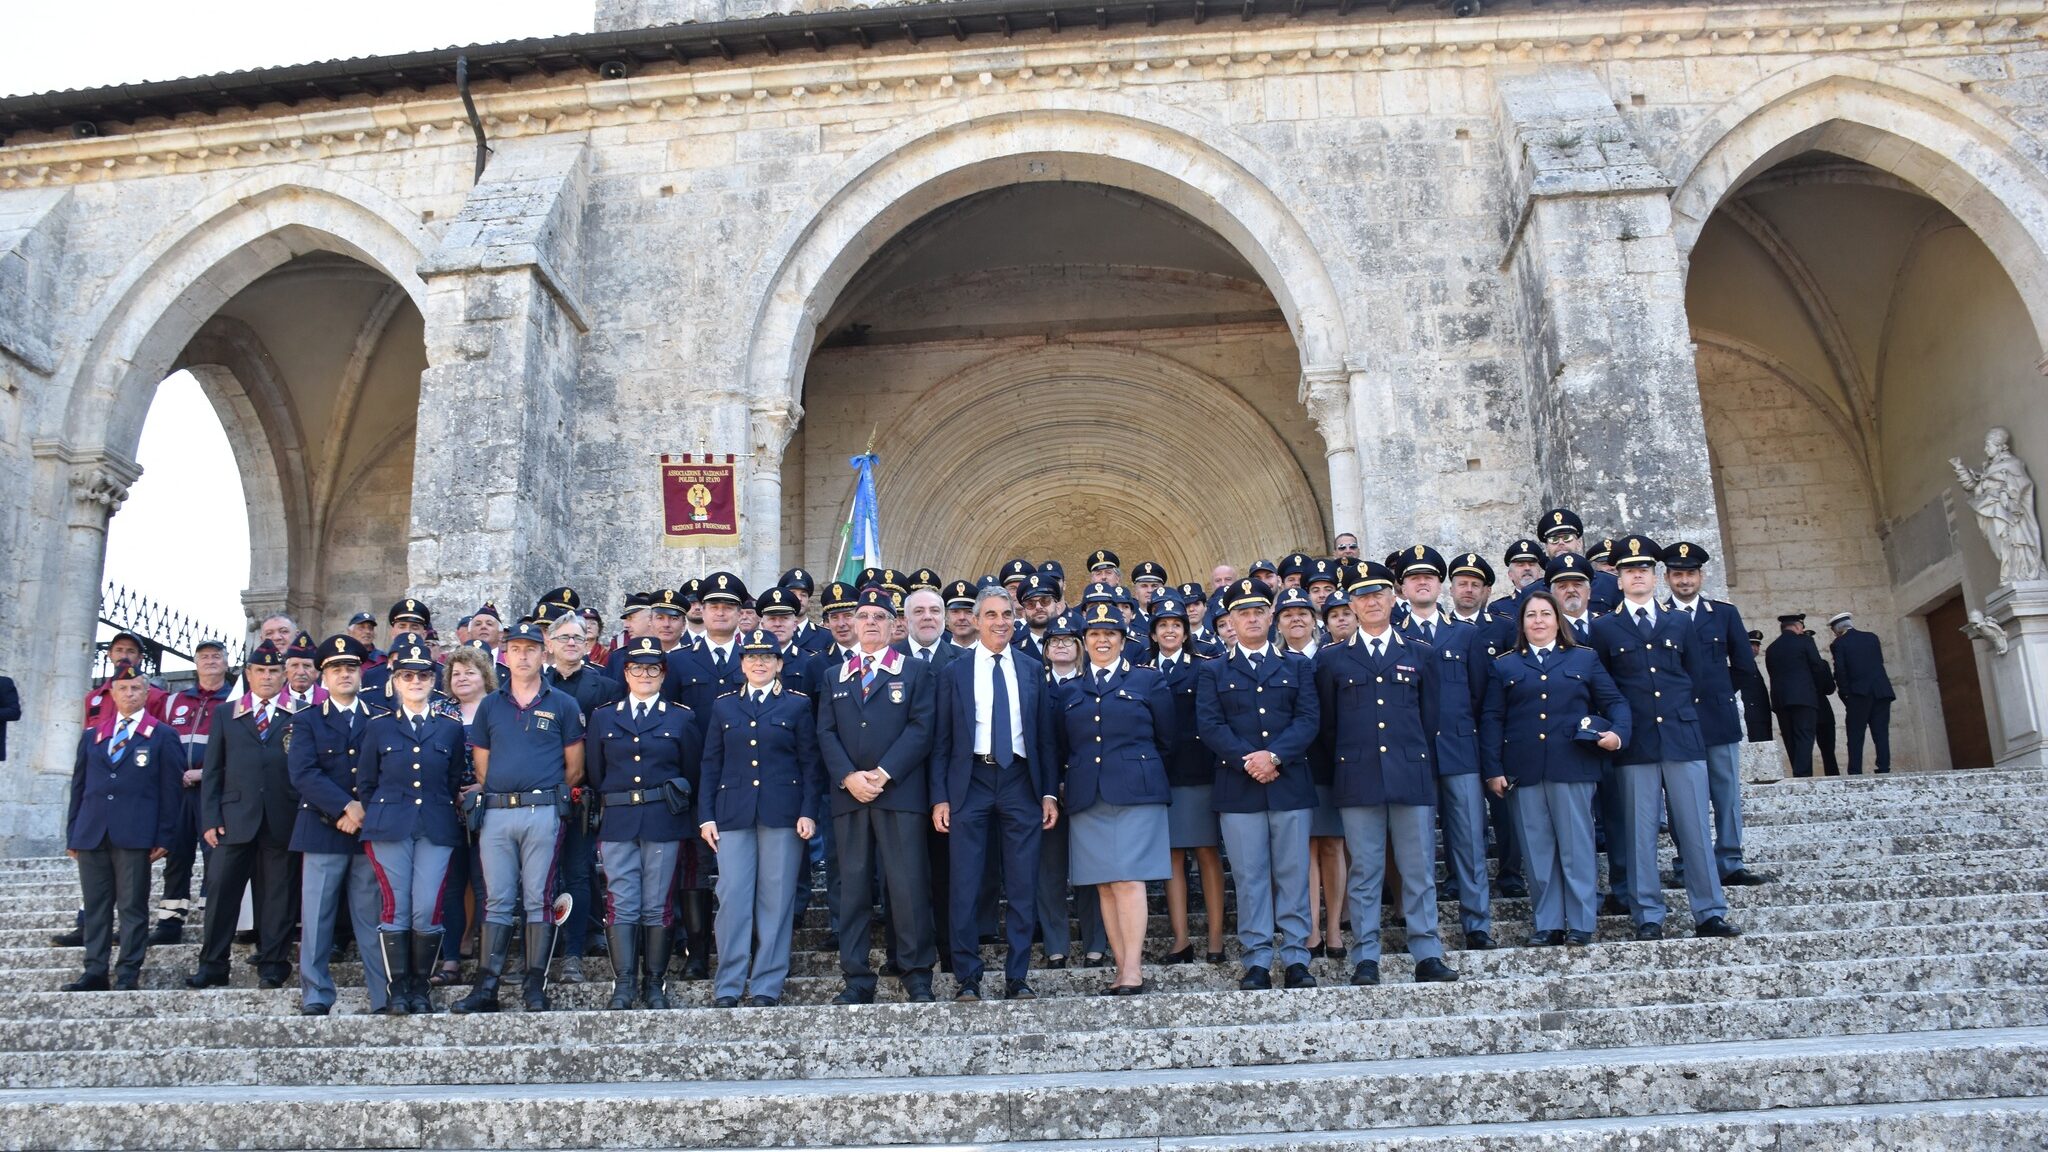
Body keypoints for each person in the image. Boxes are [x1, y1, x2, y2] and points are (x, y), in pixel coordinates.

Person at [1586, 535, 1738, 942]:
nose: (1637, 576)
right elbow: (1603, 689)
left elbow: (1695, 677)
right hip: (1635, 745)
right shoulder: (1604, 629)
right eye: (1629, 570)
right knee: (1640, 833)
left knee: (1694, 830)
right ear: (1618, 579)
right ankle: (1648, 912)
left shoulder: (1679, 622)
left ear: (1655, 577)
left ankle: (1708, 911)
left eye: (1644, 570)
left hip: (1682, 736)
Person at [1315, 562, 1456, 987]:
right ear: (1351, 605)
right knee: (1365, 872)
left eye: (1378, 594)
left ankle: (1427, 951)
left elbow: (1429, 718)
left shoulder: (1421, 654)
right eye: (1361, 596)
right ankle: (1366, 957)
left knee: (1417, 870)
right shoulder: (1332, 660)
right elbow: (1328, 726)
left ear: (1393, 599)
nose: (1371, 601)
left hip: (1409, 774)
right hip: (1358, 778)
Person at [929, 586, 1058, 1001]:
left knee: (1022, 883)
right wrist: (940, 797)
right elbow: (942, 740)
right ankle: (968, 975)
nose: (1000, 622)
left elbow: (1044, 738)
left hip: (1021, 781)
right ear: (977, 620)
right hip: (971, 783)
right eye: (991, 615)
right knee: (964, 884)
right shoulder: (954, 671)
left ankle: (1017, 976)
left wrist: (1049, 794)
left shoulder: (1031, 667)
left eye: (1007, 614)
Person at [1478, 591, 1629, 946]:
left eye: (1546, 614)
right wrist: (1492, 768)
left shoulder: (1584, 658)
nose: (1539, 621)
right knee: (1537, 850)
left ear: (1558, 620)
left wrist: (1617, 735)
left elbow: (1616, 702)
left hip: (1573, 766)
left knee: (1577, 848)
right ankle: (1547, 923)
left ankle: (1580, 922)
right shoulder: (1505, 665)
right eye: (1531, 615)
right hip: (1524, 771)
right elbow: (1492, 719)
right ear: (1522, 623)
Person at [1195, 579, 1322, 990]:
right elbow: (1210, 726)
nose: (1251, 618)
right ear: (1229, 621)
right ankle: (1257, 959)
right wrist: (1250, 760)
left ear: (1271, 617)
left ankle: (1297, 957)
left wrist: (1275, 756)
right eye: (1242, 613)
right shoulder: (1214, 670)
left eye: (1258, 611)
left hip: (1288, 783)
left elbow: (1308, 719)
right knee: (1250, 877)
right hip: (1239, 786)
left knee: (1293, 872)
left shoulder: (1298, 665)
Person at [455, 621, 586, 1014]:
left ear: (544, 652)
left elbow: (575, 768)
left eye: (531, 648)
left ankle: (534, 985)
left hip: (543, 810)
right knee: (495, 899)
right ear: (505, 655)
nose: (524, 655)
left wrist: (542, 795)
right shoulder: (491, 705)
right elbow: (482, 766)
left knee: (537, 899)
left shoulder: (562, 702)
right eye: (516, 648)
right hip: (497, 811)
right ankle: (486, 987)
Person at [817, 587, 939, 1004]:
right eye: (863, 616)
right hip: (849, 798)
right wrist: (849, 777)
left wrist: (883, 773)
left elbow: (922, 729)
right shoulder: (836, 675)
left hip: (899, 794)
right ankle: (856, 977)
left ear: (894, 625)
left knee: (906, 886)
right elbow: (826, 732)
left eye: (879, 616)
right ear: (851, 624)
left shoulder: (916, 671)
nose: (870, 622)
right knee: (851, 889)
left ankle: (917, 972)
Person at [697, 630, 821, 1007]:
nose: (759, 662)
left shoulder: (797, 706)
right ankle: (729, 984)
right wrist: (705, 816)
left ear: (780, 664)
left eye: (768, 657)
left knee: (776, 899)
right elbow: (711, 763)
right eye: (751, 657)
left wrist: (808, 811)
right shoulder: (724, 706)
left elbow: (810, 764)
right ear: (742, 663)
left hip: (782, 813)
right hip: (733, 813)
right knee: (732, 897)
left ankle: (767, 983)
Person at [1056, 602, 1174, 995]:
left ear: (1123, 640)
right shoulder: (1070, 689)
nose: (1101, 640)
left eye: (1110, 634)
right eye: (1094, 634)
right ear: (1083, 642)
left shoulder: (1147, 680)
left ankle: (1133, 969)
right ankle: (1121, 967)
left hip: (1136, 791)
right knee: (1104, 883)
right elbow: (1063, 744)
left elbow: (1166, 737)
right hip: (1088, 795)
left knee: (1127, 879)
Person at [588, 637, 704, 1009]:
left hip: (662, 820)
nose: (645, 674)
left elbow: (691, 771)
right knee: (621, 902)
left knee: (657, 904)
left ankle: (655, 983)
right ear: (625, 672)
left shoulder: (681, 717)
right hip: (619, 819)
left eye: (653, 668)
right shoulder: (604, 716)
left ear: (663, 673)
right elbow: (595, 771)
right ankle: (624, 983)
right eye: (637, 667)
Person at [355, 639, 468, 1015]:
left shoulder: (450, 728)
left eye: (422, 675)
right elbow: (367, 783)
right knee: (395, 908)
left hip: (435, 825)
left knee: (426, 909)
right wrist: (382, 814)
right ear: (395, 681)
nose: (415, 681)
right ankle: (397, 989)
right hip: (389, 826)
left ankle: (421, 987)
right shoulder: (378, 727)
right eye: (407, 675)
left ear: (433, 681)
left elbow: (453, 778)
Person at [1395, 545, 1497, 950]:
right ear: (1402, 587)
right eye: (1414, 577)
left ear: (1441, 585)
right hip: (1413, 756)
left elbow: (1480, 698)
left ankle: (1477, 924)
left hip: (1459, 751)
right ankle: (1424, 928)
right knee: (1418, 849)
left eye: (1430, 577)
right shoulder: (1396, 638)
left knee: (1470, 841)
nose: (1423, 582)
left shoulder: (1466, 635)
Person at [287, 635, 391, 1016]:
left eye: (350, 668)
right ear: (323, 677)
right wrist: (345, 807)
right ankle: (315, 993)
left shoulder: (380, 717)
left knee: (371, 917)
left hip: (367, 830)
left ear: (361, 673)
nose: (344, 674)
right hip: (321, 828)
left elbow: (389, 767)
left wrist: (363, 808)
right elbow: (303, 773)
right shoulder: (307, 720)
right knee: (316, 918)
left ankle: (382, 993)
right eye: (335, 669)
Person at [63, 663, 182, 991]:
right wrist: (73, 831)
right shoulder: (93, 736)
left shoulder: (162, 736)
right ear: (112, 694)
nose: (129, 694)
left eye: (136, 689)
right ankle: (95, 970)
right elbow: (79, 787)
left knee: (132, 906)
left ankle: (128, 972)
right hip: (92, 832)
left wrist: (164, 836)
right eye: (123, 689)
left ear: (146, 693)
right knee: (96, 907)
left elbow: (170, 793)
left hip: (135, 834)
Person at [188, 642, 297, 989]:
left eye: (273, 671)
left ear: (284, 675)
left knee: (277, 896)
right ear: (248, 675)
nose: (267, 676)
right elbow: (213, 769)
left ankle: (273, 963)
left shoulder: (300, 713)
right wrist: (209, 817)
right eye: (260, 671)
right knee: (221, 895)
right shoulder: (226, 713)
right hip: (233, 819)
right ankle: (213, 965)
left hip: (282, 817)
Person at [1662, 543, 1769, 887]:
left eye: (1690, 574)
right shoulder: (1659, 616)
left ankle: (1730, 859)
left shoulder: (1723, 614)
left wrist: (1719, 694)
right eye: (1677, 574)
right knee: (1681, 799)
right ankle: (1687, 863)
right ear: (1667, 578)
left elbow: (1743, 666)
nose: (1684, 581)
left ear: (1701, 576)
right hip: (1678, 722)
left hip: (1718, 718)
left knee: (1725, 793)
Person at [538, 605, 624, 983]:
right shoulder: (535, 687)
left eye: (578, 636)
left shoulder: (605, 686)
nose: (572, 642)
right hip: (538, 792)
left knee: (577, 870)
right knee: (540, 875)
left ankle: (574, 949)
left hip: (582, 794)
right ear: (549, 644)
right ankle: (542, 950)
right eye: (563, 638)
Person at [1146, 598, 1225, 966]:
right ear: (1153, 632)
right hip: (1159, 774)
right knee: (1172, 858)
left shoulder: (1204, 667)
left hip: (1198, 772)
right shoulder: (1142, 669)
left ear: (1186, 629)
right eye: (1163, 625)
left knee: (1208, 853)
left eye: (1176, 624)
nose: (1170, 631)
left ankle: (1214, 940)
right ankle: (1180, 940)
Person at [152, 638, 235, 944]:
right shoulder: (174, 701)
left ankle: (210, 920)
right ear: (196, 664)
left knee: (215, 854)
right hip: (177, 790)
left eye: (216, 656)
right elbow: (161, 741)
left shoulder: (235, 701)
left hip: (213, 790)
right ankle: (169, 922)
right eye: (204, 657)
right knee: (176, 854)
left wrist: (205, 773)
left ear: (226, 664)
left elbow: (238, 750)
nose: (210, 661)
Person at [430, 642, 495, 987]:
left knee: (486, 887)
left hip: (491, 809)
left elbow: (516, 755)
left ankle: (488, 960)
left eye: (470, 671)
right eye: (456, 673)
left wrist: (484, 786)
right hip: (447, 808)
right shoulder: (438, 710)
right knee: (452, 887)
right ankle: (451, 958)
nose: (463, 678)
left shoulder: (499, 709)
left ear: (485, 676)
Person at [1766, 614, 1836, 778]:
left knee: (1790, 738)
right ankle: (1802, 775)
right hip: (1804, 697)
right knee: (1804, 735)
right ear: (1798, 627)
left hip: (1781, 700)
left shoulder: (1771, 648)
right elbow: (1817, 666)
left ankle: (1799, 773)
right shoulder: (1805, 641)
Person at [1829, 612, 1895, 775]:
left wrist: (1845, 694)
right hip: (1881, 691)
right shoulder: (1872, 637)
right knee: (1881, 731)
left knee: (1855, 734)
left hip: (1858, 693)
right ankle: (1884, 767)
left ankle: (1855, 770)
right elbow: (1878, 661)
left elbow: (1841, 671)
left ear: (1837, 629)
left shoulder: (1839, 643)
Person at [1739, 630, 1773, 744]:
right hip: (1752, 715)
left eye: (1757, 645)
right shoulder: (1741, 663)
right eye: (1751, 645)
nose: (1755, 648)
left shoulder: (1751, 664)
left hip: (1760, 714)